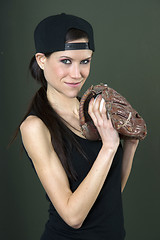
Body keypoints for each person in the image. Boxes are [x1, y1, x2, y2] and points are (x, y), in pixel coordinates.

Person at [19, 13, 139, 240]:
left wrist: (130, 144)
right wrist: (109, 147)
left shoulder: (94, 112)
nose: (77, 74)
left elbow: (109, 194)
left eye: (85, 61)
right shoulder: (35, 127)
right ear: (42, 60)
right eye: (66, 61)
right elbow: (73, 217)